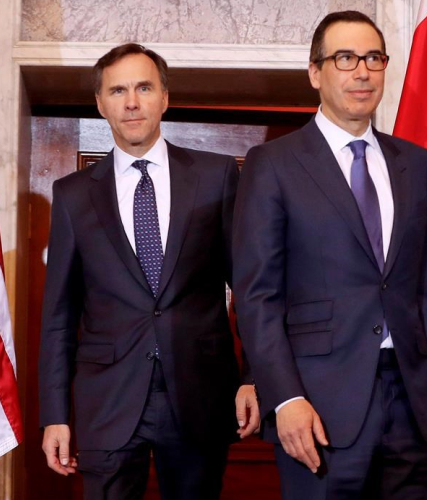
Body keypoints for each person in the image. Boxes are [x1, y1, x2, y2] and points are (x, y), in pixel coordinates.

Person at [233, 11, 427, 500]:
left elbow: (426, 290)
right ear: (315, 73)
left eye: (373, 58)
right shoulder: (273, 164)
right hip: (318, 407)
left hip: (411, 403)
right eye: (345, 58)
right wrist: (285, 397)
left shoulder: (414, 163)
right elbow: (257, 297)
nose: (362, 71)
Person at [38, 43, 258, 500]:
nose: (132, 102)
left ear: (164, 97)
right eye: (118, 90)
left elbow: (252, 288)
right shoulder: (73, 194)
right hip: (108, 400)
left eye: (143, 87)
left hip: (200, 394)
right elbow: (59, 315)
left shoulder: (215, 175)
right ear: (100, 103)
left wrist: (254, 376)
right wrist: (55, 414)